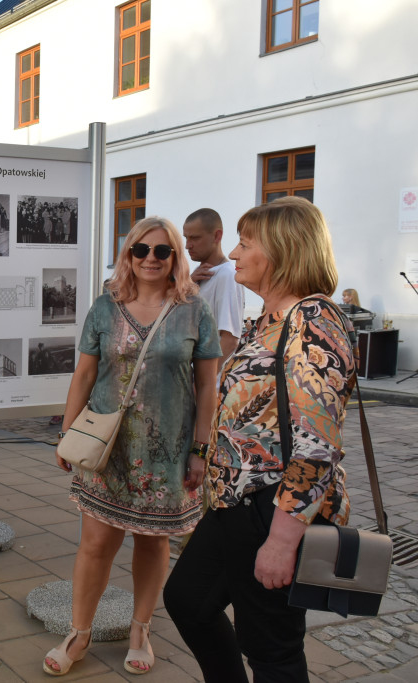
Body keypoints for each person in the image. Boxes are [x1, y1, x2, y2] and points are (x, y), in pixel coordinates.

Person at [164, 197, 355, 682]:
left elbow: (316, 444)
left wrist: (281, 541)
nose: (234, 255)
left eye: (246, 244)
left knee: (271, 647)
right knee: (188, 599)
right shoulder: (270, 319)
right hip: (236, 506)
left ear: (282, 250)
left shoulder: (313, 322)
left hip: (272, 510)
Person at [43, 216, 220, 677]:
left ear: (176, 258)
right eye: (141, 250)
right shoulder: (105, 307)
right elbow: (83, 375)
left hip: (168, 453)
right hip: (108, 448)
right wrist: (67, 434)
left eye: (163, 251)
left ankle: (141, 628)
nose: (151, 259)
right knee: (95, 543)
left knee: (152, 543)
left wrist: (201, 450)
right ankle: (79, 632)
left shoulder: (193, 310)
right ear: (128, 255)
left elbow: (207, 387)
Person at [183, 208, 245, 362]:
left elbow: (230, 340)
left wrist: (203, 382)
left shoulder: (228, 275)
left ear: (217, 236)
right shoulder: (197, 275)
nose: (187, 245)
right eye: (186, 238)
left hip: (209, 383)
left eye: (194, 238)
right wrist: (186, 284)